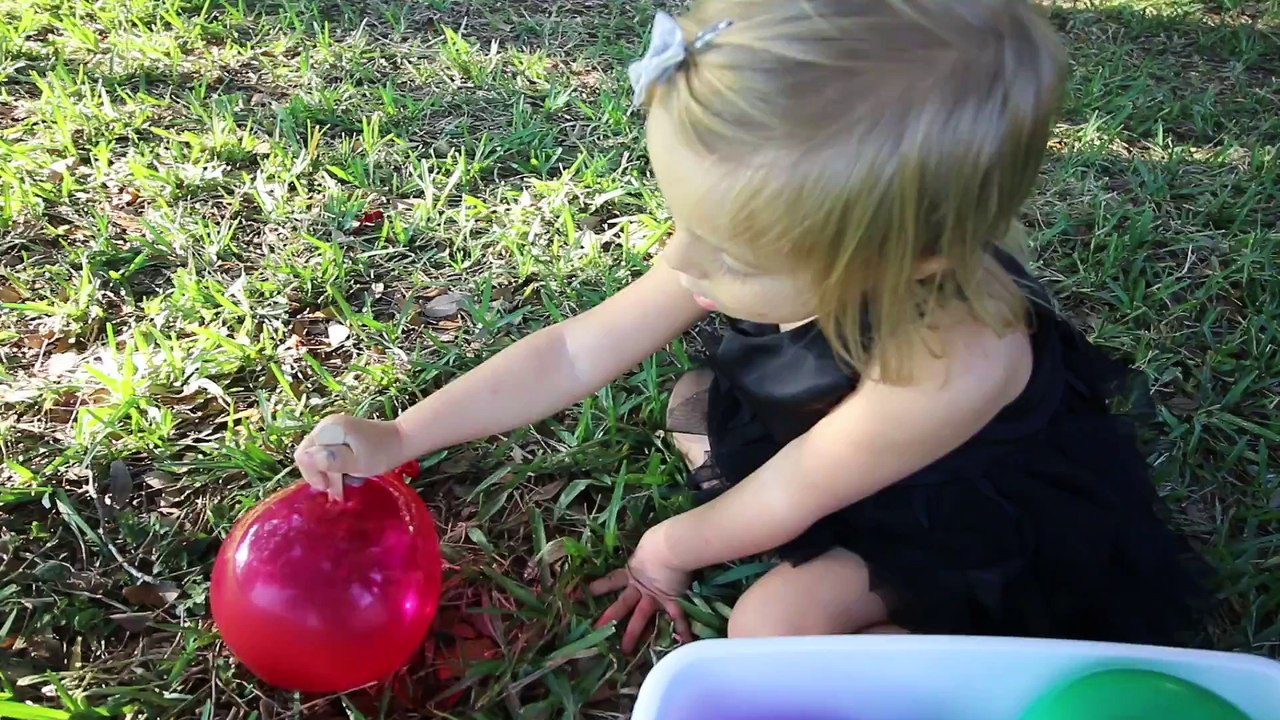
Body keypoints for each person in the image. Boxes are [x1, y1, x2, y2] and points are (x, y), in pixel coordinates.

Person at [294, 0, 1210, 654]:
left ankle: (944, 662)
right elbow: (577, 345)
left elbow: (793, 494)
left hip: (965, 510)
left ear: (905, 262)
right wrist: (405, 431)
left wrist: (666, 550)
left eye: (730, 253)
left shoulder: (954, 357)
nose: (685, 263)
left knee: (771, 625)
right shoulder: (728, 251)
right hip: (835, 446)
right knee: (698, 403)